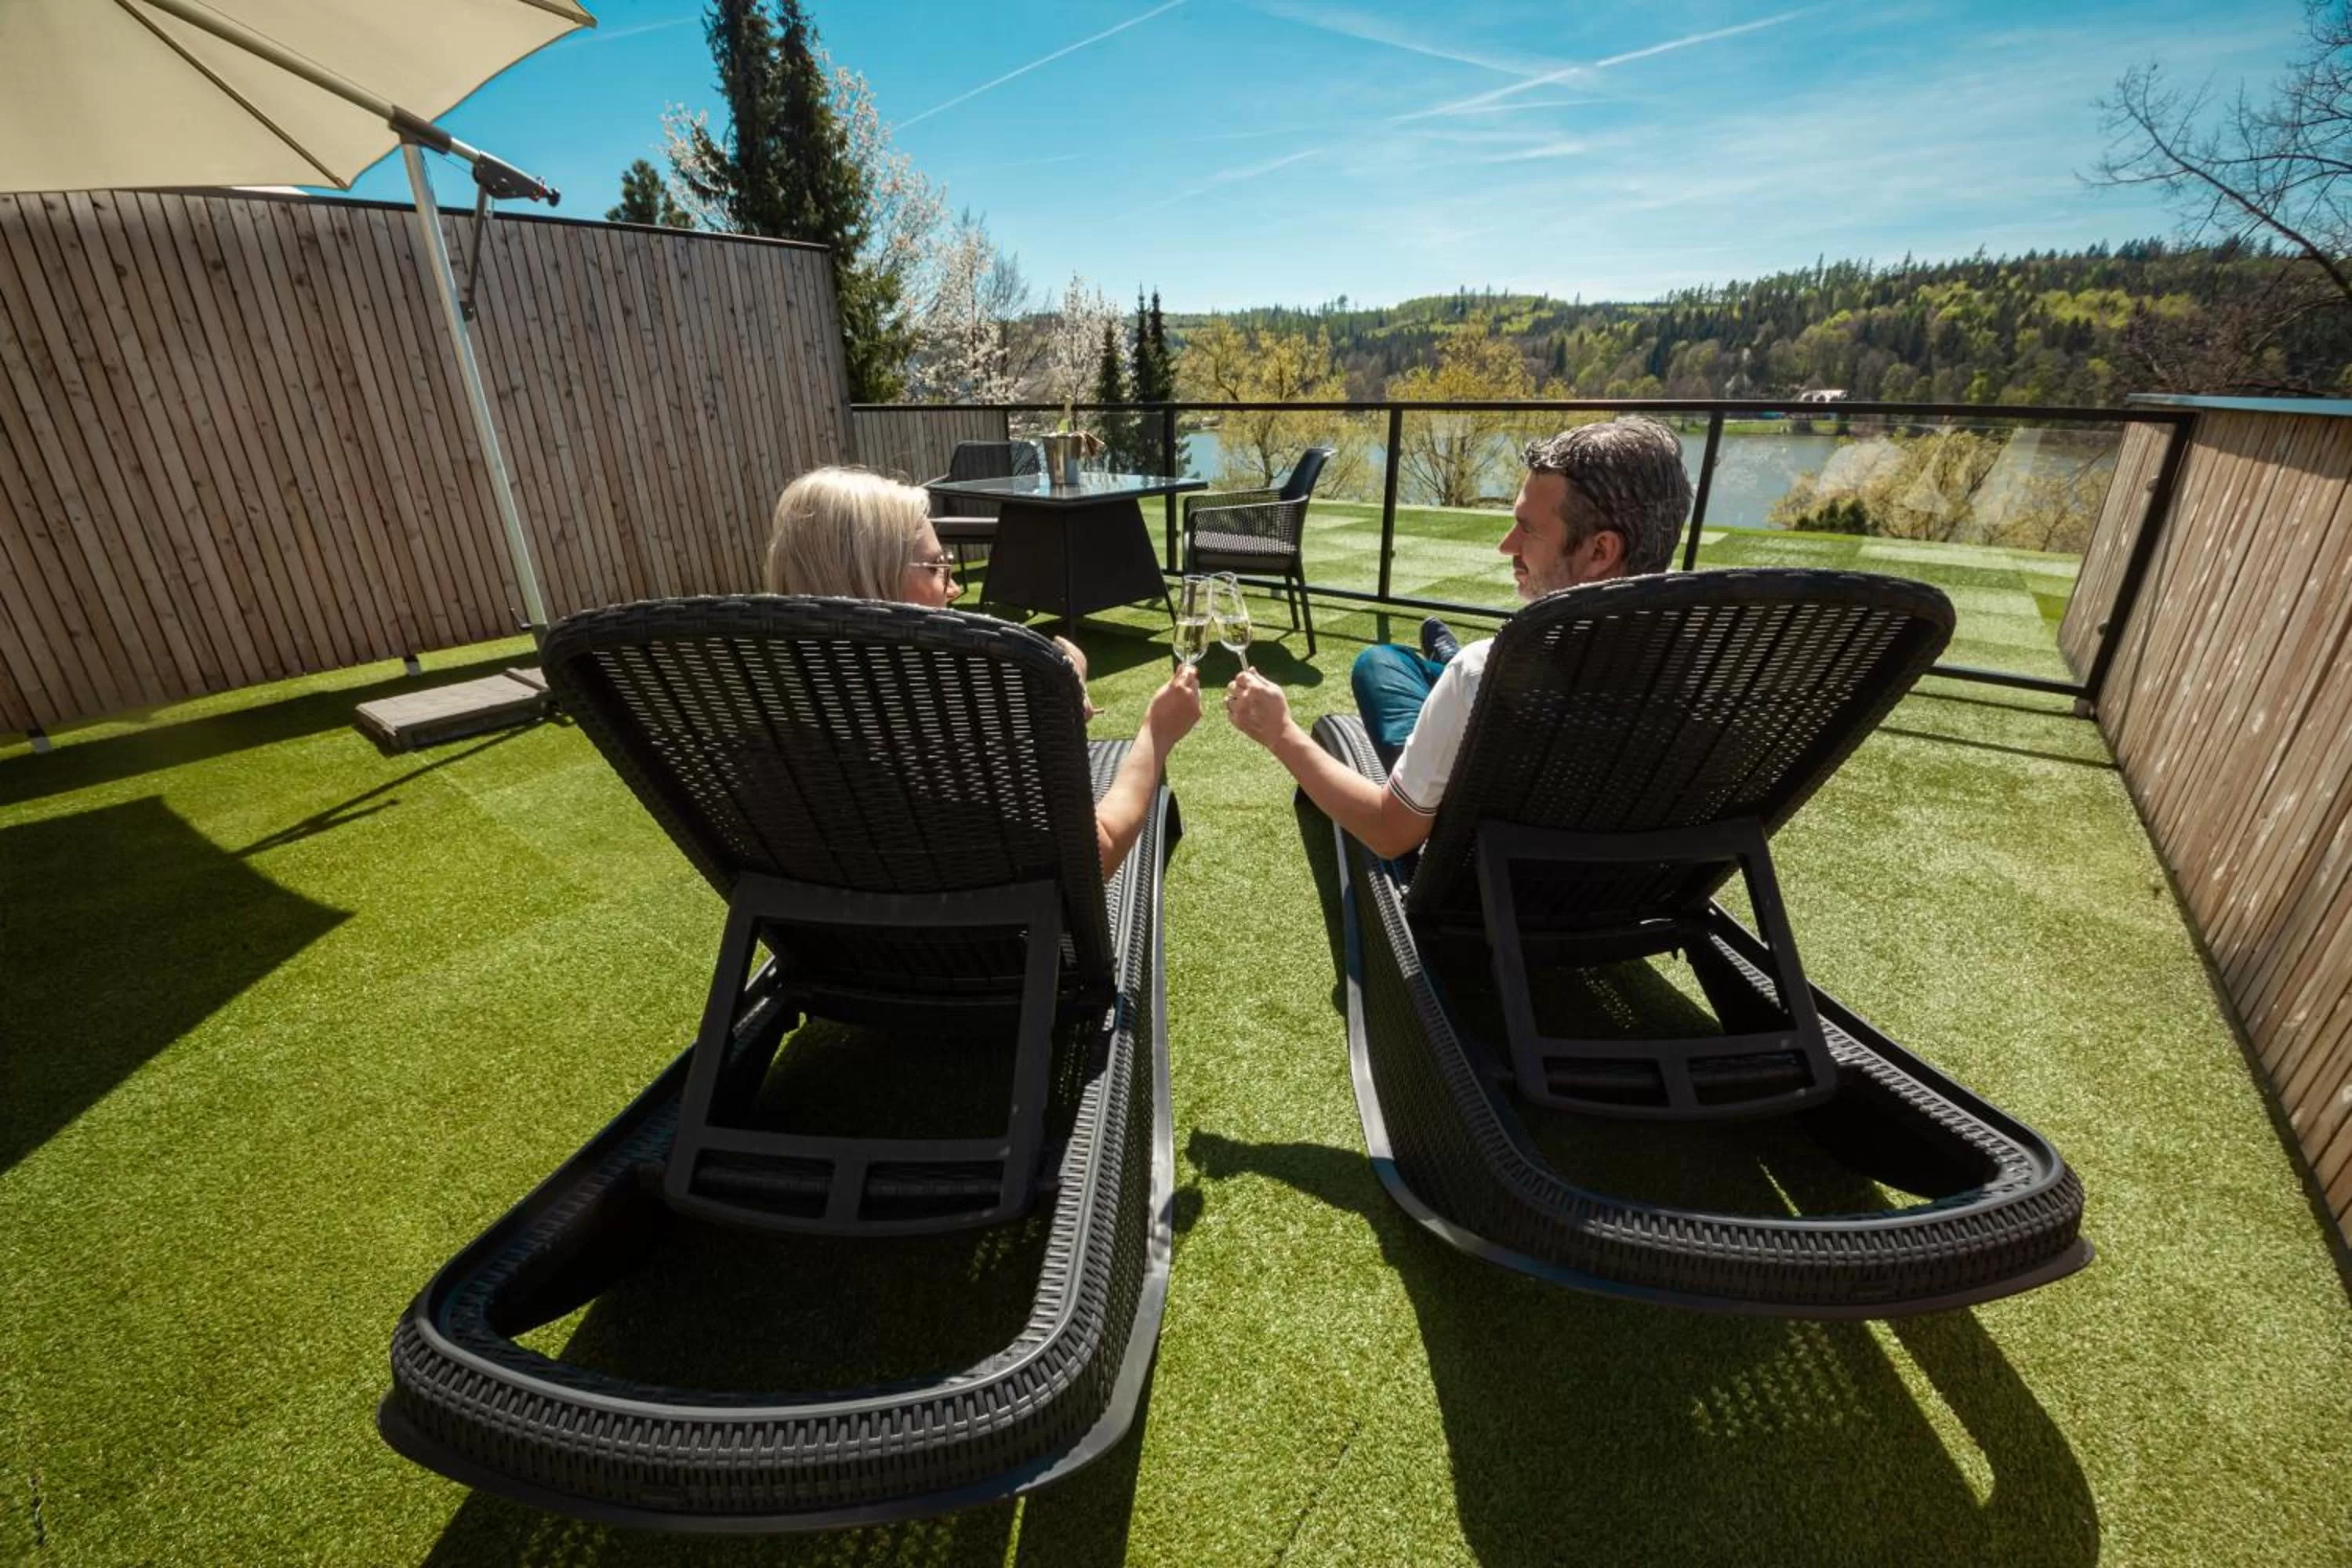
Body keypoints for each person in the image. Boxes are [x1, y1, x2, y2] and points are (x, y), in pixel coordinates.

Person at [1223, 417, 1692, 858]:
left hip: (1499, 895)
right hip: (1629, 886)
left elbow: (1391, 833)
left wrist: (1281, 733)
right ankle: (1439, 661)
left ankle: (1441, 668)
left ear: (1600, 550)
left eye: (1528, 529)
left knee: (1380, 665)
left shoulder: (1484, 671)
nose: (1507, 546)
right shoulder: (1716, 661)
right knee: (1394, 663)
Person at [766, 465, 1200, 880]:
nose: (953, 587)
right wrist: (1156, 733)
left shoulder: (761, 696)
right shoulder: (974, 704)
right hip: (1004, 948)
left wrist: (1064, 680)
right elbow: (1095, 857)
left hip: (831, 944)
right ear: (872, 583)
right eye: (936, 568)